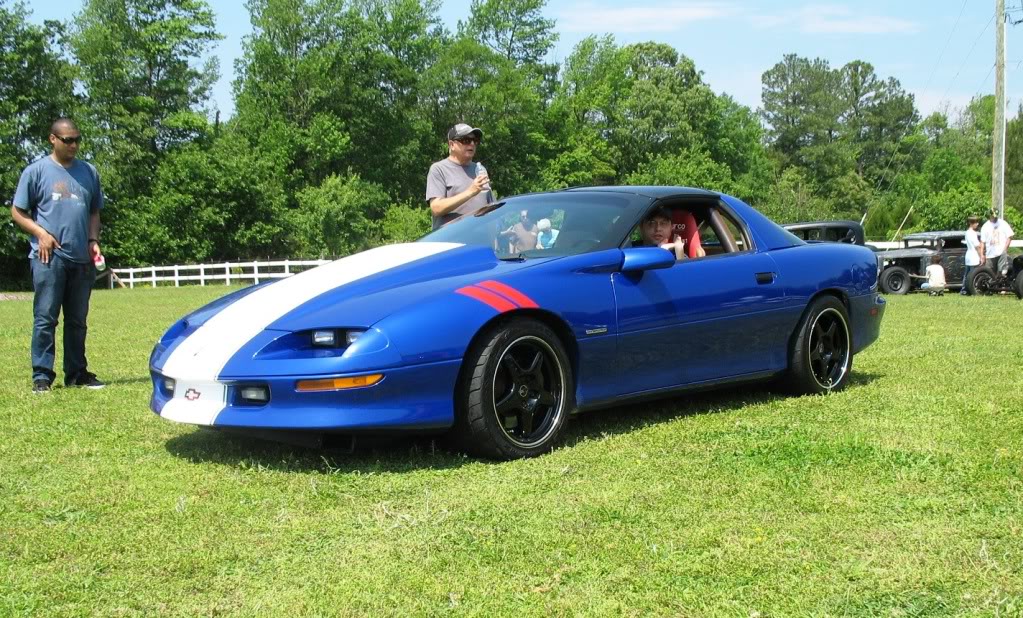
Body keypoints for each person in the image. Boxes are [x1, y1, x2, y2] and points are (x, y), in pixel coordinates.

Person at [10, 118, 105, 393]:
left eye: (77, 140)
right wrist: (40, 233)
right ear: (53, 139)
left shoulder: (89, 172)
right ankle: (42, 376)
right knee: (46, 318)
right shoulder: (36, 171)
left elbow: (94, 211)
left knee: (77, 321)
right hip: (48, 258)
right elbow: (17, 211)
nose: (74, 145)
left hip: (82, 258)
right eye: (68, 140)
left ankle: (77, 373)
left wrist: (93, 240)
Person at [425, 123, 493, 230]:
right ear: (452, 144)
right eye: (466, 140)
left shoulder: (480, 169)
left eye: (475, 141)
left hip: (481, 237)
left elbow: (491, 206)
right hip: (452, 238)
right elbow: (436, 208)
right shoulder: (439, 169)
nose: (472, 144)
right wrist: (470, 192)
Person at [980, 211, 1015, 276]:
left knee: (1002, 273)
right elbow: (982, 242)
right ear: (990, 216)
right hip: (990, 255)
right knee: (990, 273)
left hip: (1001, 253)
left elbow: (1010, 236)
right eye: (993, 216)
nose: (995, 218)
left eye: (996, 216)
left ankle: (1001, 281)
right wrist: (982, 255)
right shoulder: (985, 226)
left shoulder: (1003, 223)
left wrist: (1005, 249)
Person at [962, 216, 981, 295]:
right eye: (975, 222)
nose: (977, 224)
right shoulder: (973, 233)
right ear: (970, 223)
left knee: (967, 274)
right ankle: (970, 289)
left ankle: (964, 289)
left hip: (969, 255)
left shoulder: (967, 232)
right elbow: (977, 246)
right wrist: (981, 256)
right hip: (974, 255)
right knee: (973, 274)